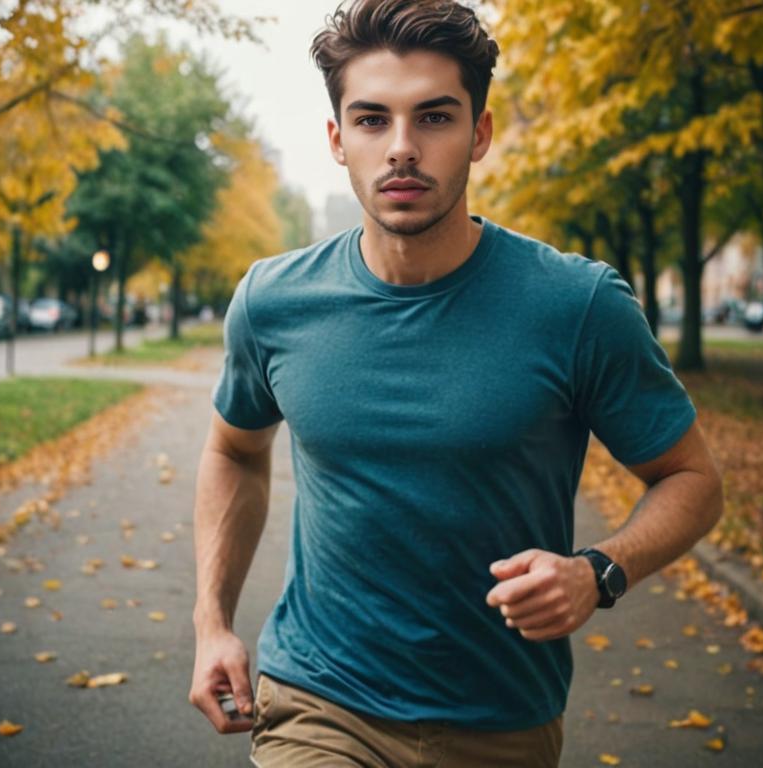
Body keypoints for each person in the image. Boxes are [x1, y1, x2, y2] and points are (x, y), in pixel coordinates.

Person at [189, 1, 724, 765]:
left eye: (434, 118)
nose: (401, 149)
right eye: (372, 121)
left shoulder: (578, 305)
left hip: (502, 719)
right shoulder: (274, 301)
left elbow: (693, 479)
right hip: (318, 700)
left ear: (480, 134)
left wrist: (598, 573)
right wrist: (211, 622)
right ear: (338, 141)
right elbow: (234, 451)